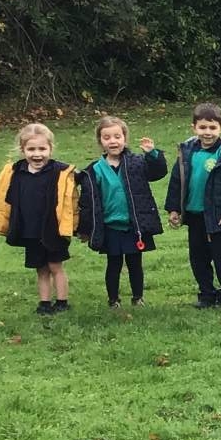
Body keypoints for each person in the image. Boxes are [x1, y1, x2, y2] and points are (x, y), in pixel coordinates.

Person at [74, 116, 168, 308]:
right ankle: (113, 299)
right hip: (110, 226)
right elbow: (87, 202)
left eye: (117, 136)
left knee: (135, 262)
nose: (113, 141)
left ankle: (138, 297)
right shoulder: (94, 170)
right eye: (107, 137)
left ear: (125, 138)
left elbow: (158, 172)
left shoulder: (137, 163)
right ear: (100, 141)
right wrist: (84, 229)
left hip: (133, 225)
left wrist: (152, 154)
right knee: (114, 264)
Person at [0, 122, 76, 315]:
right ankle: (44, 303)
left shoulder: (59, 172)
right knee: (41, 268)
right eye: (31, 149)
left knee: (55, 266)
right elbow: (5, 199)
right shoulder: (16, 172)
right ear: (22, 150)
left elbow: (70, 199)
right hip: (30, 230)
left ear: (50, 149)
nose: (37, 154)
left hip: (53, 228)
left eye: (42, 149)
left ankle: (62, 302)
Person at [165, 102, 221, 308]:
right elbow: (177, 181)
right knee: (198, 258)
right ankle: (206, 295)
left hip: (219, 217)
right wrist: (174, 208)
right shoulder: (187, 153)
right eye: (202, 127)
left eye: (212, 127)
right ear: (194, 127)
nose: (207, 132)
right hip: (195, 216)